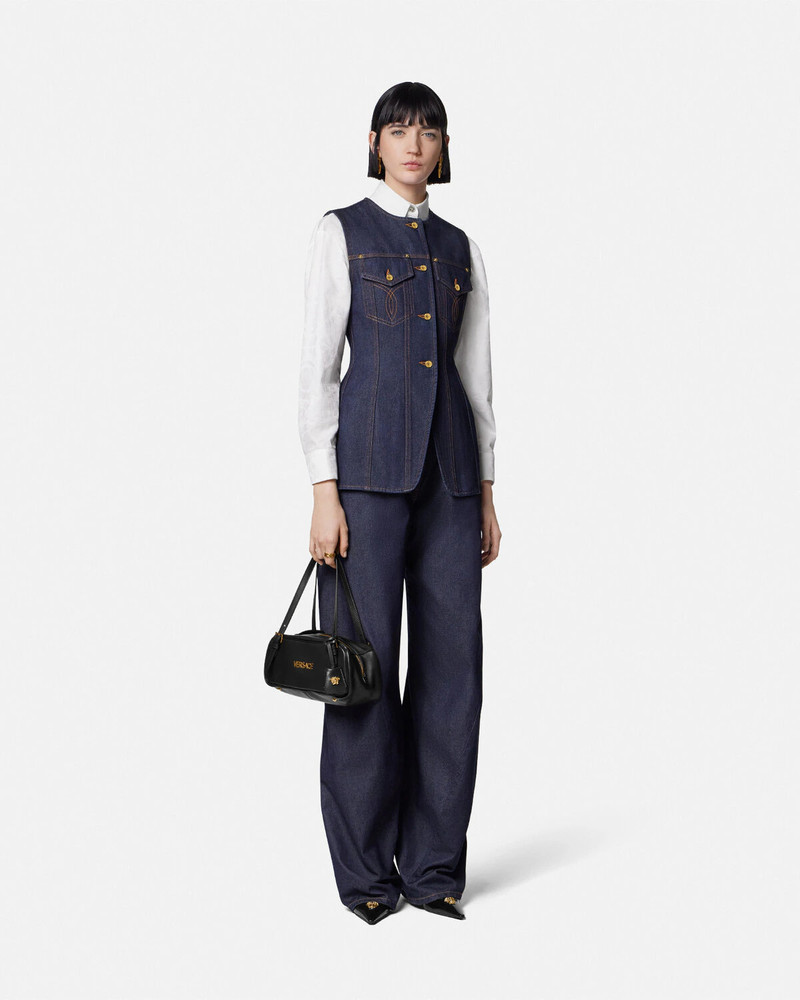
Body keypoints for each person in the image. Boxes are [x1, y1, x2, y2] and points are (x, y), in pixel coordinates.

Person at [297, 81, 501, 924]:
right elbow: (316, 368)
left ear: (444, 147)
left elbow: (476, 377)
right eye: (399, 130)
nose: (415, 144)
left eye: (429, 131)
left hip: (451, 482)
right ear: (376, 142)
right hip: (366, 485)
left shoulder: (460, 247)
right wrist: (324, 489)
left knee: (455, 675)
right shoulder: (340, 232)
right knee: (361, 674)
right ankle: (365, 876)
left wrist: (487, 490)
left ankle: (434, 868)